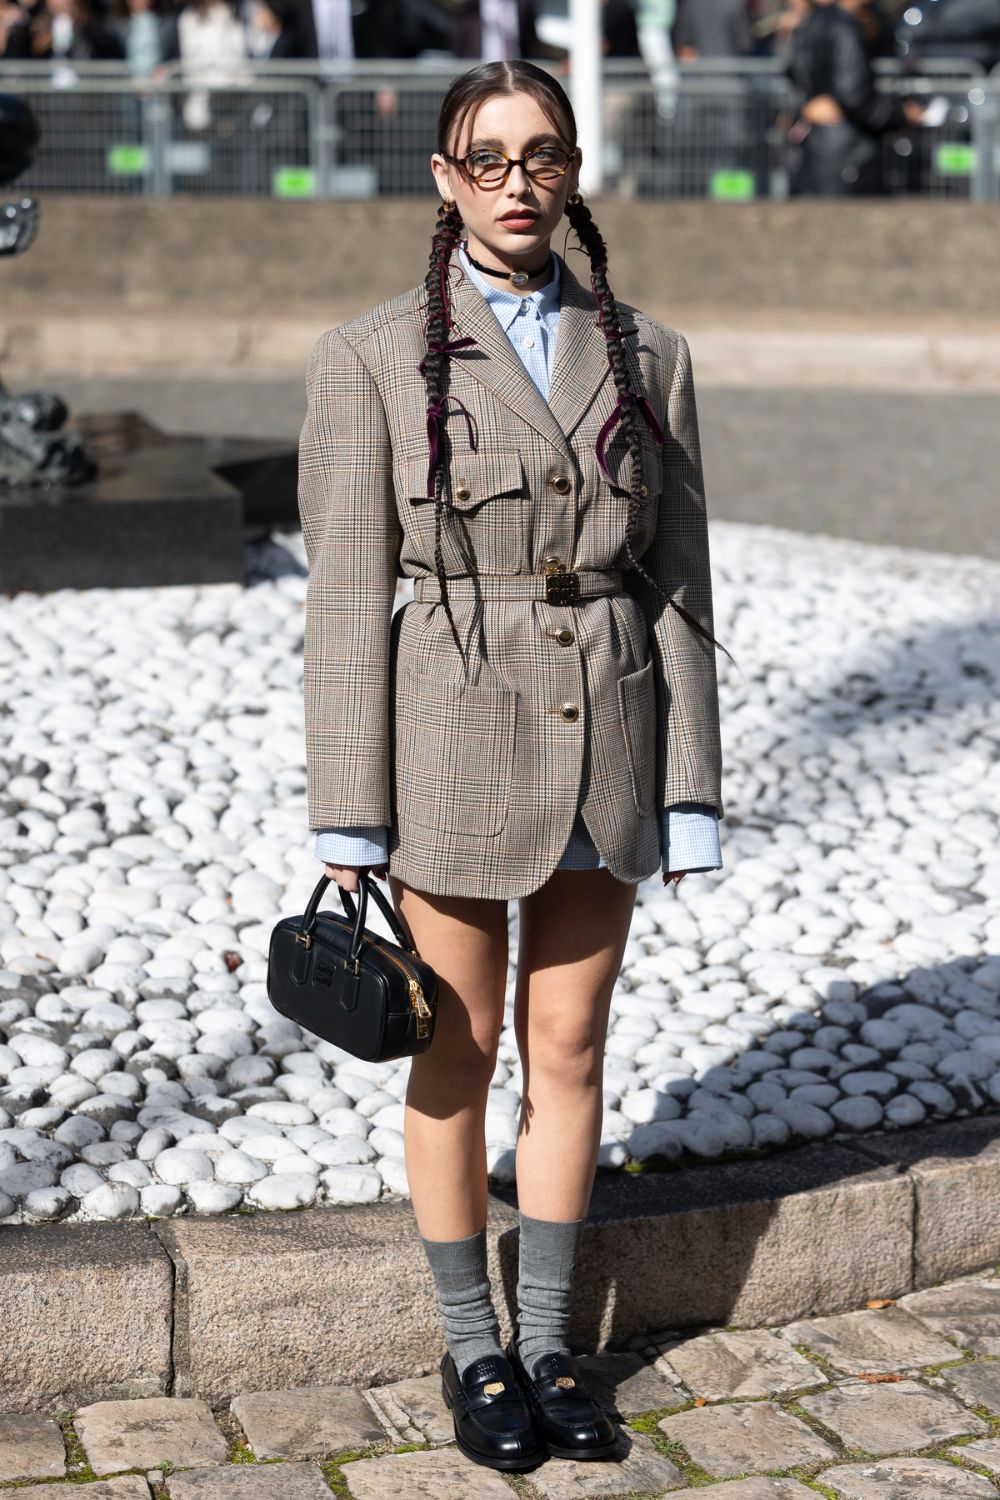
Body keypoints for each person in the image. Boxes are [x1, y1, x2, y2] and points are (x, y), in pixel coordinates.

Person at [298, 58, 730, 1472]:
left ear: (575, 170)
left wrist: (694, 784)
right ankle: (469, 1346)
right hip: (454, 747)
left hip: (609, 739)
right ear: (443, 179)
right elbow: (350, 605)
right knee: (455, 1057)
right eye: (486, 159)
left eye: (541, 156)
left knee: (573, 1048)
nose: (517, 183)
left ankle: (550, 1342)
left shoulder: (650, 356)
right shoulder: (372, 358)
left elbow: (679, 585)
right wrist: (350, 813)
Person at [784, 0, 928, 193]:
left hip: (817, 146)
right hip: (847, 151)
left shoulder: (815, 21)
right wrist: (902, 114)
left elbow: (793, 71)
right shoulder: (845, 28)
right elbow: (854, 96)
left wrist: (806, 106)